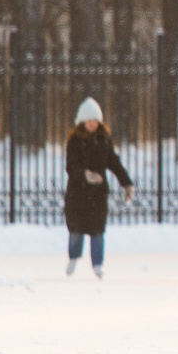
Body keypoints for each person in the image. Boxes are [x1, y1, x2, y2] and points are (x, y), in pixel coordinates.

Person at [64, 97, 134, 278]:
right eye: (89, 120)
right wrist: (85, 175)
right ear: (82, 122)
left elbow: (114, 163)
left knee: (97, 231)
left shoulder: (104, 141)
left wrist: (126, 182)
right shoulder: (74, 141)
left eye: (95, 120)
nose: (92, 124)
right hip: (78, 193)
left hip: (97, 195)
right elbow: (71, 166)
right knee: (76, 230)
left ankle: (97, 264)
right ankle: (73, 257)